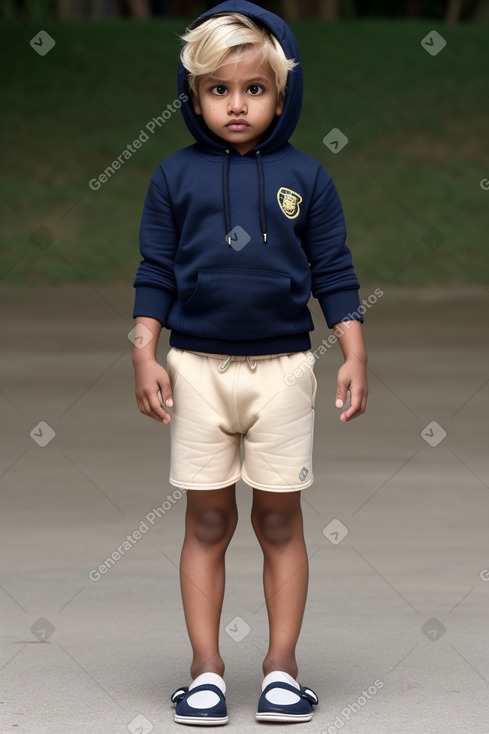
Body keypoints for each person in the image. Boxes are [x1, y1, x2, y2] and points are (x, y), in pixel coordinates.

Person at [131, 0, 368, 725]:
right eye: (217, 90)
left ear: (282, 92)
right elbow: (155, 274)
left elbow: (334, 272)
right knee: (205, 523)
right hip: (197, 369)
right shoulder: (173, 178)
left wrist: (352, 350)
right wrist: (146, 350)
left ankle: (279, 670)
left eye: (254, 89)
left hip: (285, 372)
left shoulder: (309, 177)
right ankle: (205, 671)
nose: (236, 105)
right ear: (194, 95)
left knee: (279, 522)